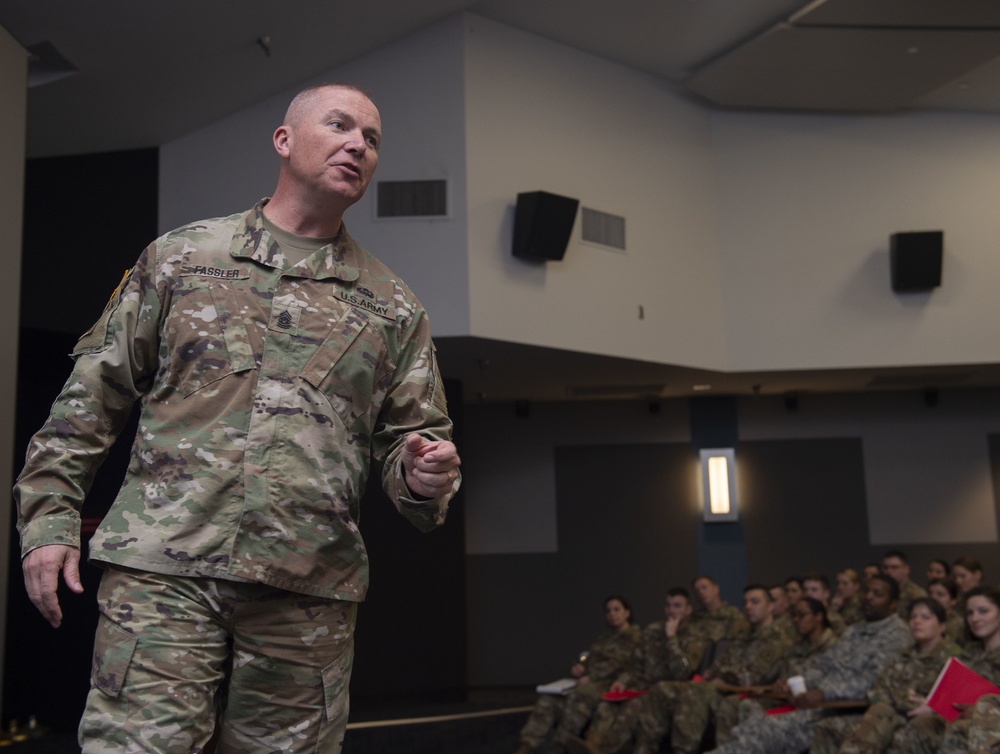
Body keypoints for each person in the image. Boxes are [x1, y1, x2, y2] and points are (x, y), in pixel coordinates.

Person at [14, 83, 462, 754]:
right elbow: (92, 396)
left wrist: (426, 479)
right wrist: (48, 517)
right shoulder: (182, 259)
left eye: (371, 139)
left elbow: (413, 450)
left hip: (305, 594)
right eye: (339, 125)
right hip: (166, 577)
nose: (357, 145)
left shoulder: (393, 307)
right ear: (284, 141)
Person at [704, 574, 910, 754]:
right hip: (823, 705)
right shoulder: (854, 631)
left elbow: (871, 682)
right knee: (756, 725)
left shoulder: (896, 635)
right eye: (867, 592)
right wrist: (795, 683)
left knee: (772, 731)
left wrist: (824, 693)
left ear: (893, 604)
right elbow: (823, 666)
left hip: (853, 711)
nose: (869, 598)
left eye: (877, 594)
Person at [810, 597, 960, 753]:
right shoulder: (903, 654)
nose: (917, 621)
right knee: (827, 727)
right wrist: (899, 702)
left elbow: (959, 704)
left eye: (925, 617)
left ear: (942, 626)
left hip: (926, 722)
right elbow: (878, 689)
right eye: (913, 617)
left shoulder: (954, 658)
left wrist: (933, 707)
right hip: (891, 713)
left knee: (892, 727)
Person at [579, 589, 708, 754]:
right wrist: (623, 681)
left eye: (677, 606)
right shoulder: (653, 630)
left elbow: (683, 670)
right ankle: (591, 744)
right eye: (668, 606)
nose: (672, 611)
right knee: (607, 705)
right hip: (643, 686)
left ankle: (604, 750)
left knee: (632, 709)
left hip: (669, 692)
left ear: (688, 610)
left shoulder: (696, 637)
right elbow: (635, 663)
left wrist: (671, 638)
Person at [515, 595, 641, 754]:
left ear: (627, 613)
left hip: (610, 684)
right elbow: (591, 660)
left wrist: (590, 676)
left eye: (617, 609)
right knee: (548, 700)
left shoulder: (635, 637)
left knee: (580, 694)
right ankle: (527, 746)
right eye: (608, 611)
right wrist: (581, 669)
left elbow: (619, 664)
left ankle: (560, 747)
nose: (612, 614)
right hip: (590, 682)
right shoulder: (604, 639)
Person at [899, 585, 1000, 754]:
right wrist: (934, 703)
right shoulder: (968, 653)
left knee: (959, 729)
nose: (975, 618)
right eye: (970, 613)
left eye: (983, 611)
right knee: (920, 725)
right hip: (961, 717)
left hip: (989, 722)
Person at [689, 575, 749, 643]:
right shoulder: (695, 619)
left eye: (704, 587)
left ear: (716, 588)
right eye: (697, 591)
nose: (701, 592)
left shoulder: (733, 616)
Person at [881, 550, 926, 618]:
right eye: (886, 568)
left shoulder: (916, 594)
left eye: (894, 567)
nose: (889, 572)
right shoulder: (881, 593)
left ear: (907, 569)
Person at [802, 572, 847, 636]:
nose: (808, 594)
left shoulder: (834, 620)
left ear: (826, 594)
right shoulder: (798, 618)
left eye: (814, 590)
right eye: (805, 590)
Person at [927, 577, 965, 645]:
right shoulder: (922, 619)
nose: (933, 598)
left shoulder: (958, 624)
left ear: (953, 601)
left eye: (940, 594)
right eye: (930, 593)